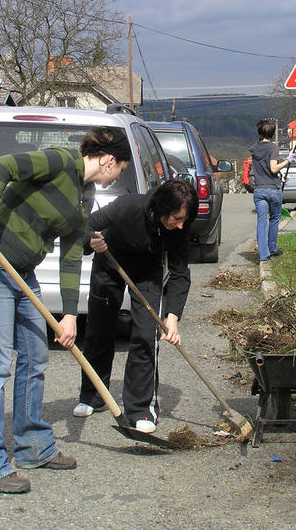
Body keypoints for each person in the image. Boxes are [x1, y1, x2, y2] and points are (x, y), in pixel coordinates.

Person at [0, 128, 131, 494]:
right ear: (108, 160)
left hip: (24, 275)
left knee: (35, 359)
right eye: (121, 168)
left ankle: (32, 447)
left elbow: (71, 256)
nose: (118, 176)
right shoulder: (58, 161)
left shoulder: (85, 195)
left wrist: (70, 314)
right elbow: (2, 166)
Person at [73, 179, 198, 434]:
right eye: (176, 218)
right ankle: (92, 395)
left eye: (184, 220)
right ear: (162, 208)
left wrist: (172, 317)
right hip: (109, 265)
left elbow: (179, 272)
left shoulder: (179, 228)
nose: (180, 225)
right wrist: (91, 242)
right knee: (98, 331)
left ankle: (141, 409)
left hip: (147, 274)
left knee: (145, 336)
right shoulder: (127, 206)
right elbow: (88, 226)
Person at [249, 119, 296, 262]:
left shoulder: (254, 148)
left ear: (259, 132)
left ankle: (263, 254)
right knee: (274, 219)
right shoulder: (273, 148)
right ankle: (273, 248)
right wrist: (288, 160)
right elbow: (273, 168)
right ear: (272, 133)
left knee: (261, 222)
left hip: (259, 190)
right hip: (273, 189)